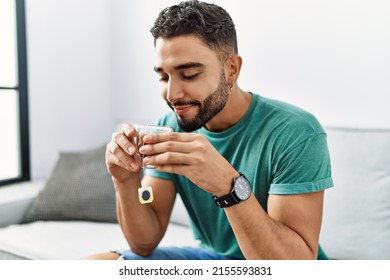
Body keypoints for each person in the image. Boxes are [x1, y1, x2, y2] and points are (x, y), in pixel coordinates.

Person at [85, 0, 333, 260]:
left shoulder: (295, 133)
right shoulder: (170, 129)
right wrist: (126, 181)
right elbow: (144, 242)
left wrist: (229, 186)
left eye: (189, 74)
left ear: (231, 70)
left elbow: (294, 266)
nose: (172, 94)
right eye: (163, 77)